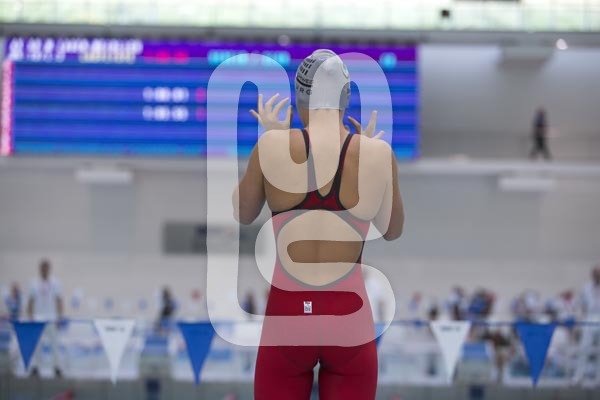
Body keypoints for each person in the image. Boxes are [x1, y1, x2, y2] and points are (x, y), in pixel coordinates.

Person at [234, 49, 404, 399]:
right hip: (350, 319)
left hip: (288, 317)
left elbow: (243, 212)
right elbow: (392, 230)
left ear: (300, 99)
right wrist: (376, 165)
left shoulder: (271, 146)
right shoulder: (378, 155)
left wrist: (271, 141)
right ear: (346, 99)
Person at [27, 259, 63, 377]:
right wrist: (30, 317)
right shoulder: (34, 283)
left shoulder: (55, 283)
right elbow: (30, 301)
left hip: (52, 318)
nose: (44, 270)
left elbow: (59, 300)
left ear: (49, 269)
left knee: (55, 343)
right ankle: (35, 367)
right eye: (42, 268)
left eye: (46, 268)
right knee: (36, 344)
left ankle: (57, 367)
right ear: (40, 269)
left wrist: (59, 317)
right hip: (37, 318)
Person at [573, 265, 600, 385]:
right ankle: (578, 377)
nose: (596, 277)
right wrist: (580, 317)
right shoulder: (586, 287)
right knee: (584, 348)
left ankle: (598, 378)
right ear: (592, 275)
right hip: (590, 317)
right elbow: (580, 303)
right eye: (595, 274)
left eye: (598, 274)